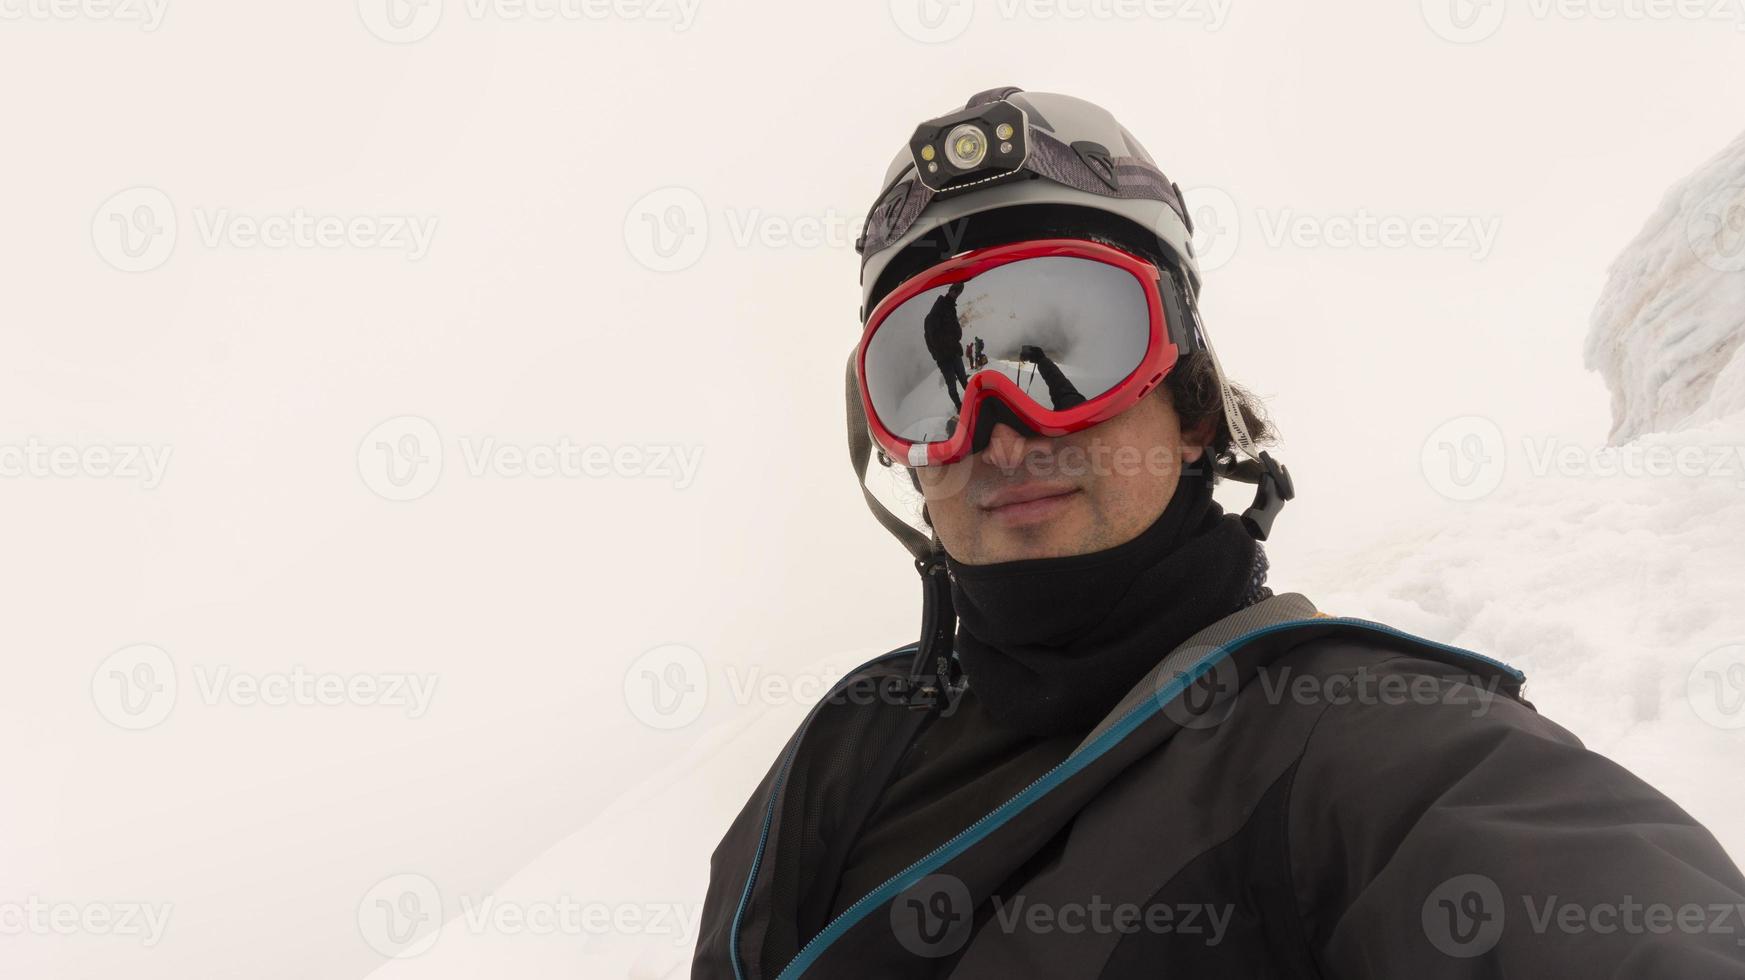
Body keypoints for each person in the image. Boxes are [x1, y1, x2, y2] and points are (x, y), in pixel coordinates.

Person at [691, 87, 1745, 979]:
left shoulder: (1349, 738)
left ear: (1192, 403)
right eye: (931, 378)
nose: (998, 433)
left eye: (1067, 348)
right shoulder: (845, 747)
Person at [924, 281, 971, 409]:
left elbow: (956, 330)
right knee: (952, 384)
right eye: (955, 292)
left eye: (959, 293)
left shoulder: (950, 310)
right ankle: (959, 406)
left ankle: (972, 400)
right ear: (950, 291)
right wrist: (938, 356)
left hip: (954, 353)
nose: (957, 295)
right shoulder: (934, 315)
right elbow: (931, 340)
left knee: (962, 379)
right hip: (945, 359)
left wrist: (956, 338)